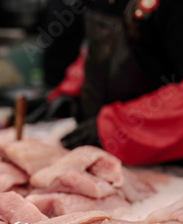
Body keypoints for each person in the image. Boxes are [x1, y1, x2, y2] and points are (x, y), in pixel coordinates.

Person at [34, 0, 183, 166]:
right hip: (104, 156)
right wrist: (72, 92)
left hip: (164, 164)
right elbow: (100, 51)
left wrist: (114, 128)